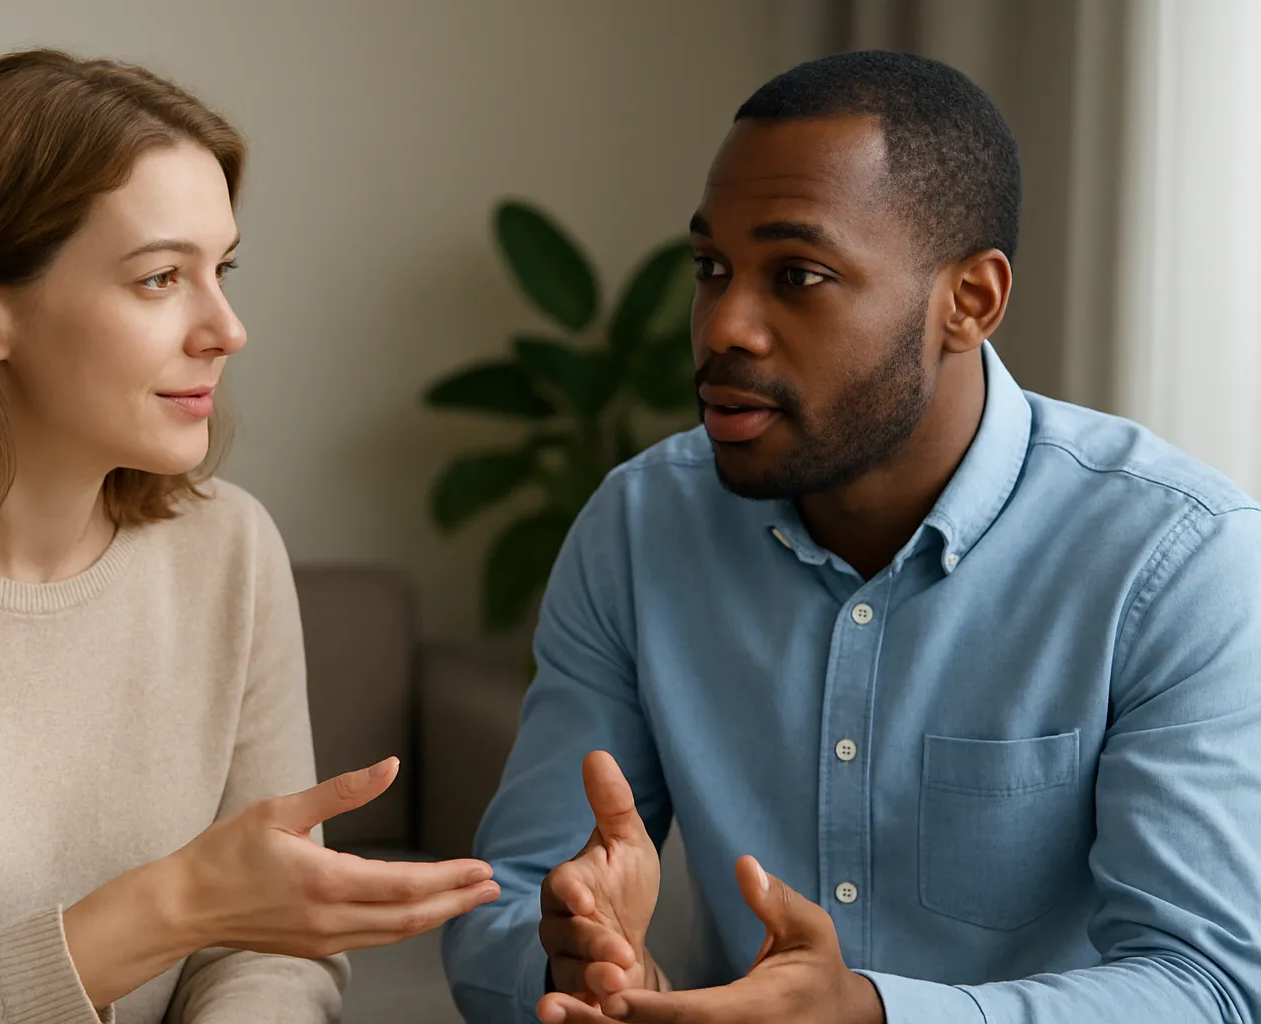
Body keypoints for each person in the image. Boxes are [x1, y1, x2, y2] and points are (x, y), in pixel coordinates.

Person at [442, 50, 1261, 1024]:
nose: (725, 326)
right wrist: (584, 967)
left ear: (971, 301)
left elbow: (1209, 984)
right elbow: (507, 898)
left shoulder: (1178, 561)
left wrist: (872, 1012)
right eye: (711, 269)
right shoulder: (639, 526)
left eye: (799, 275)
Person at [0, 49, 499, 1024]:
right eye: (161, 278)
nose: (226, 328)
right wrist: (173, 905)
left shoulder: (231, 549)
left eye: (222, 269)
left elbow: (264, 953)